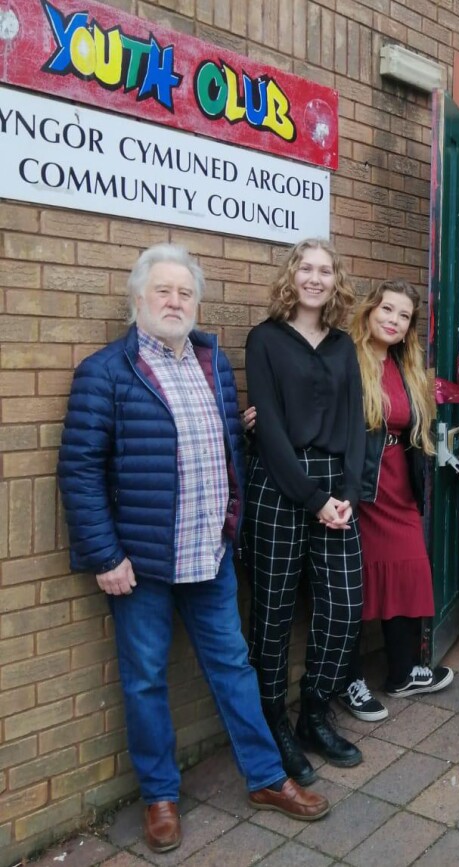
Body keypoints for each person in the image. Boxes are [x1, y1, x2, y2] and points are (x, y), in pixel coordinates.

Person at [57, 244, 329, 855]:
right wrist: (104, 556)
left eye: (185, 292)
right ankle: (160, 796)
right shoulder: (105, 373)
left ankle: (264, 778)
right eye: (164, 291)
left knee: (234, 669)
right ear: (137, 300)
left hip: (210, 556)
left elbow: (228, 449)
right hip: (141, 565)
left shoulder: (211, 363)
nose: (176, 301)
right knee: (146, 679)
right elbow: (79, 471)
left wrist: (233, 517)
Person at [244, 238, 366, 784]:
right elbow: (266, 427)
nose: (315, 278)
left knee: (343, 605)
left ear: (335, 280)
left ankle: (315, 712)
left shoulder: (343, 345)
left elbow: (357, 424)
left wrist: (348, 498)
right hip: (280, 483)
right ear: (292, 276)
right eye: (306, 269)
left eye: (325, 270)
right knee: (271, 615)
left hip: (336, 489)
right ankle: (275, 726)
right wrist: (313, 499)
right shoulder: (264, 339)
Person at [335, 280, 454, 723]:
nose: (394, 320)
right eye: (387, 309)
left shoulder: (407, 366)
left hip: (397, 487)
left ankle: (403, 672)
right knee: (350, 585)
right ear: (369, 311)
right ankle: (347, 679)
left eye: (403, 316)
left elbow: (413, 429)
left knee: (409, 568)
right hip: (358, 489)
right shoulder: (345, 357)